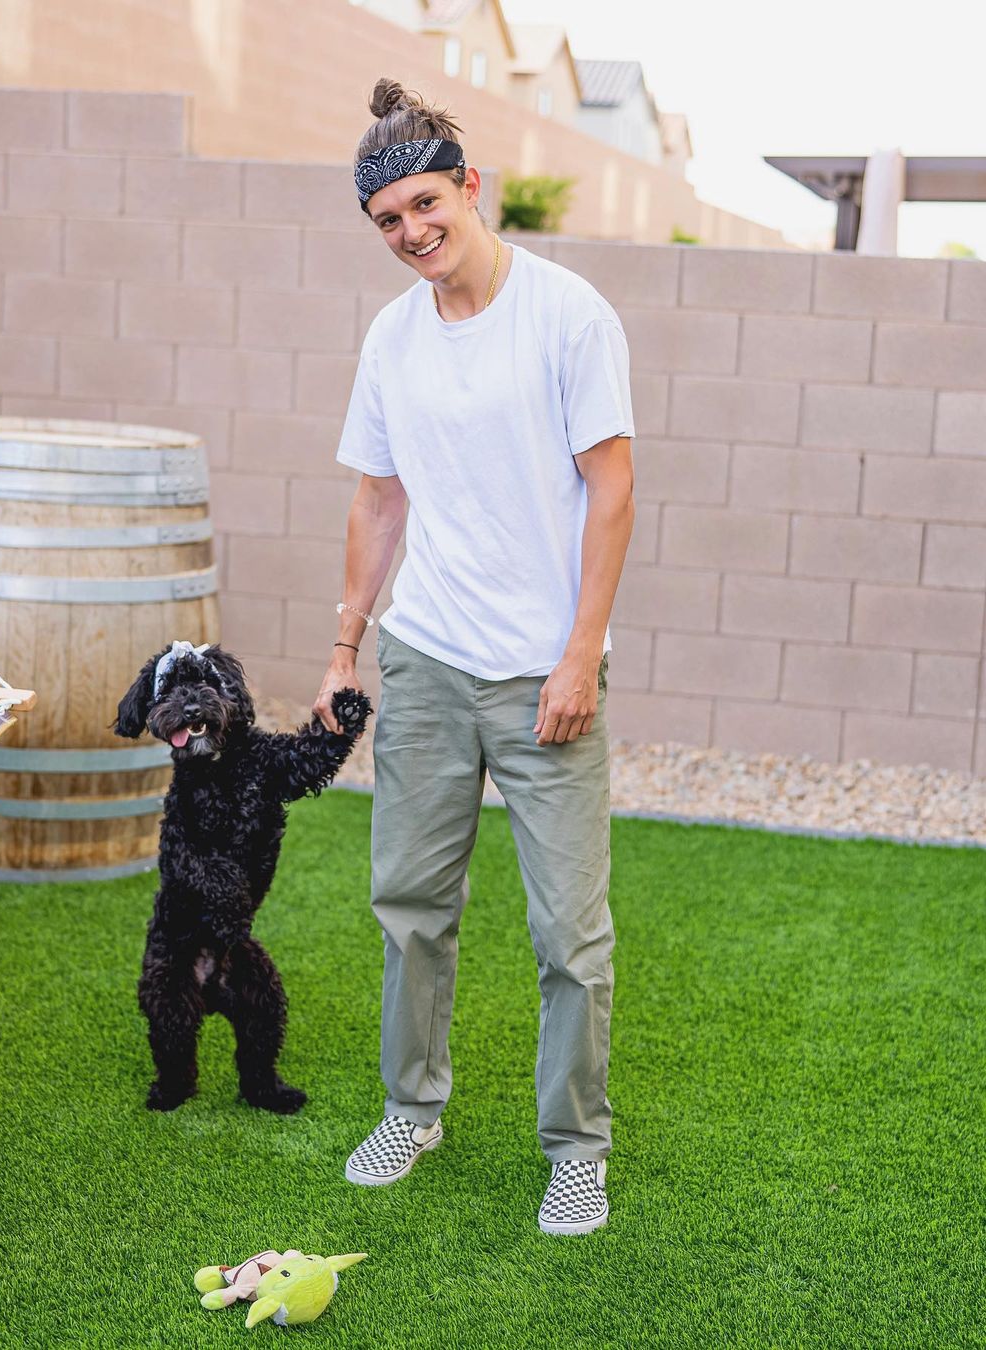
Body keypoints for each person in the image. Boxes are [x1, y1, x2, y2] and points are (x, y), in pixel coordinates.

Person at [312, 78, 636, 1237]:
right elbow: (378, 499)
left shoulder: (569, 316)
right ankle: (413, 1109)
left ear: (469, 187)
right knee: (410, 906)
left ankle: (577, 1152)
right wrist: (346, 647)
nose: (411, 232)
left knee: (570, 937)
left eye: (424, 204)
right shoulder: (392, 338)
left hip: (547, 676)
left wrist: (580, 655)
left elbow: (613, 490)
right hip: (430, 660)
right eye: (388, 220)